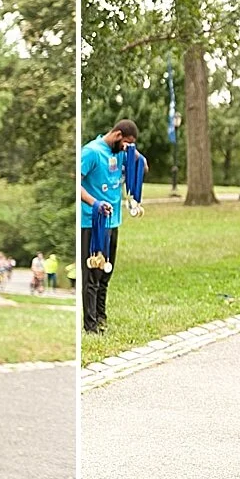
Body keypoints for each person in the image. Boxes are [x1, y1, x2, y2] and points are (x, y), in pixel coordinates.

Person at [79, 120, 140, 333]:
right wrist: (94, 203)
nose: (126, 148)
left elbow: (143, 167)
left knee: (105, 274)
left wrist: (133, 153)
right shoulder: (92, 152)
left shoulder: (121, 153)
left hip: (113, 223)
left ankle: (101, 317)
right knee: (92, 276)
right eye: (126, 143)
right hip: (92, 222)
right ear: (117, 135)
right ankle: (90, 324)